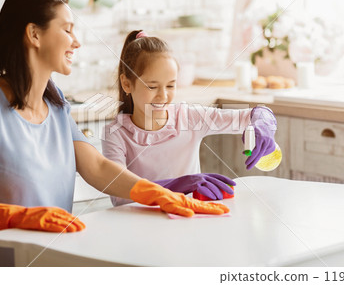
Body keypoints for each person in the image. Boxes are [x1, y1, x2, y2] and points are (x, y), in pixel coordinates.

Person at [0, 0, 229, 267]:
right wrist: (13, 218)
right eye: (68, 30)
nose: (77, 42)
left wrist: (156, 193)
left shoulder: (56, 104)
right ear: (34, 34)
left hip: (43, 263)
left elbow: (95, 167)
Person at [102, 30, 278, 206]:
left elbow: (255, 114)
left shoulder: (189, 118)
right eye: (152, 86)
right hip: (136, 225)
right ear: (127, 84)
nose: (163, 96)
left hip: (186, 220)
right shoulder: (116, 134)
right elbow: (119, 194)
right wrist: (178, 185)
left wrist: (264, 125)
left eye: (171, 85)